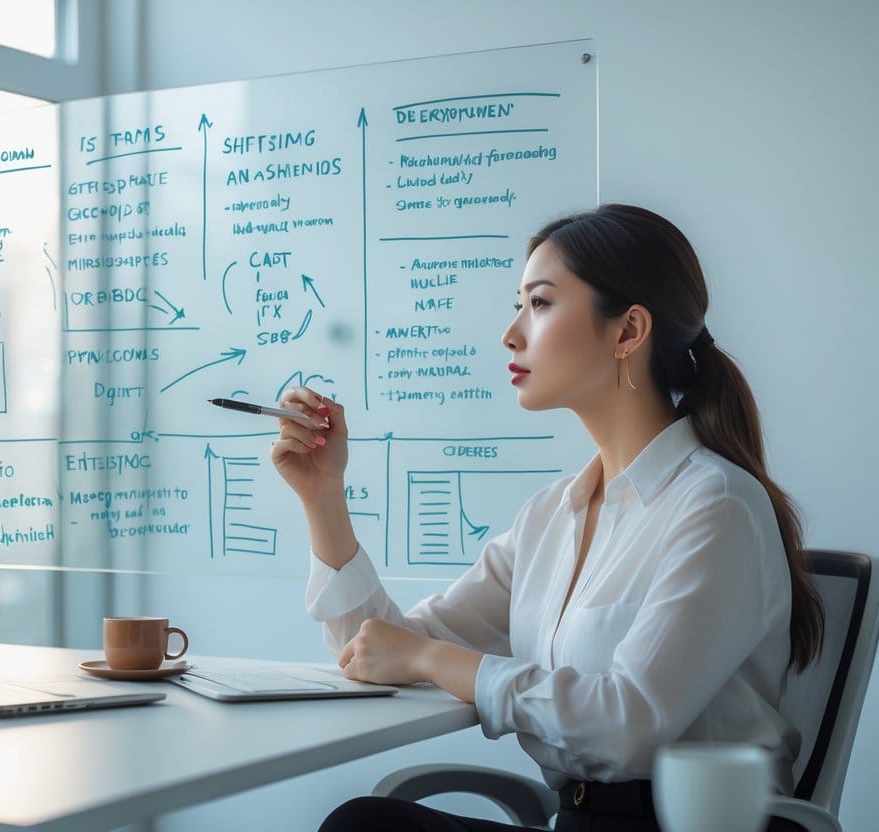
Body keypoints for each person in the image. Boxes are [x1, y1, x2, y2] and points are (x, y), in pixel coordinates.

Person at [270, 204, 823, 832]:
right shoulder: (550, 517)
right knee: (368, 823)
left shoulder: (717, 507)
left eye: (539, 303)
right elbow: (373, 652)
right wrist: (324, 497)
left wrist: (432, 661)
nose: (511, 334)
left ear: (627, 331)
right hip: (576, 820)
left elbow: (627, 725)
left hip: (682, 825)